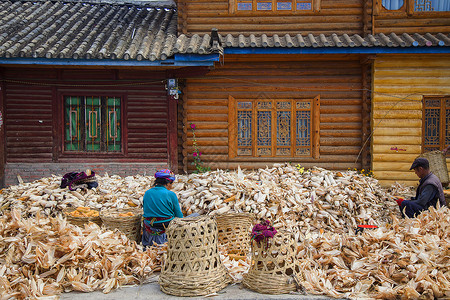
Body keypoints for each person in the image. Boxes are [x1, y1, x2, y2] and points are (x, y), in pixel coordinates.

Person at [142, 169, 183, 248]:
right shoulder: (171, 194)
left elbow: (146, 210)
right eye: (172, 183)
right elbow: (179, 216)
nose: (172, 186)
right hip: (165, 226)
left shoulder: (147, 193)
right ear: (167, 183)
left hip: (149, 226)